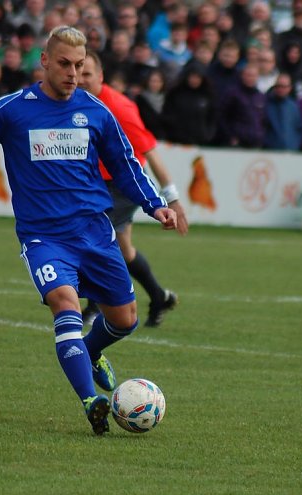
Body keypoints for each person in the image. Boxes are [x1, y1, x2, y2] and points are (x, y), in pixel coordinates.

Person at [0, 26, 177, 435]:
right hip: (44, 237)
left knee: (126, 318)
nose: (73, 73)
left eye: (80, 66)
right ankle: (90, 401)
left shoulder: (96, 112)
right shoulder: (13, 109)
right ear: (44, 61)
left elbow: (127, 166)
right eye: (64, 63)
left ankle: (92, 350)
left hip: (96, 233)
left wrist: (157, 205)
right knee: (64, 304)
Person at [78, 50, 188, 328]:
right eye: (76, 71)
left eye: (87, 73)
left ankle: (93, 307)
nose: (80, 78)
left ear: (101, 76)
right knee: (124, 250)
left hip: (124, 183)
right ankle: (159, 296)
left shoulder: (120, 108)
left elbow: (149, 151)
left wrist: (172, 198)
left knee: (95, 236)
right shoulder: (75, 102)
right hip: (96, 183)